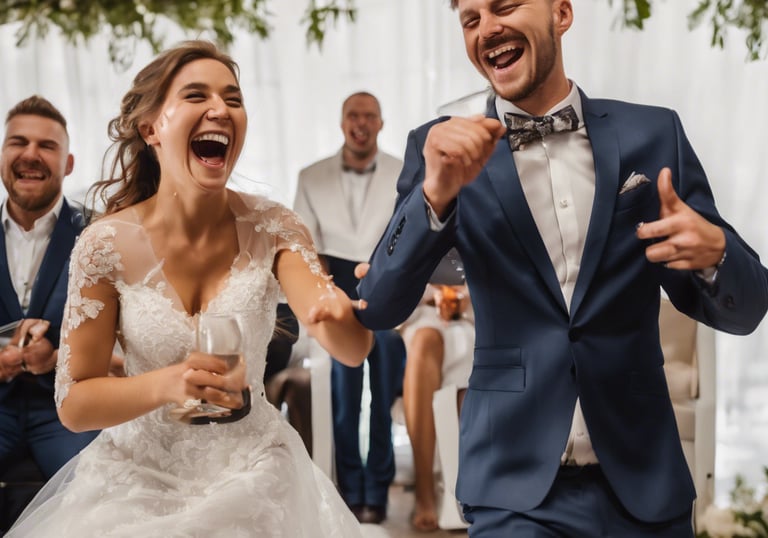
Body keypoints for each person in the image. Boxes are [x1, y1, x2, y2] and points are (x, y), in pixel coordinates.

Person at [355, 0, 768, 536]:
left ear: (562, 14)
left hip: (645, 484)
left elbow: (749, 309)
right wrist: (433, 193)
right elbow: (379, 306)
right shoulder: (440, 150)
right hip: (511, 489)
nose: (488, 28)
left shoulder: (654, 133)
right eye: (471, 19)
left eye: (504, 7)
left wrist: (715, 257)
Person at [7, 40, 374, 537]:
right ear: (152, 128)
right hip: (134, 483)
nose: (220, 109)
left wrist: (340, 315)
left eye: (234, 99)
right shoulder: (103, 245)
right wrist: (169, 383)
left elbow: (350, 350)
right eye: (197, 96)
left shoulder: (276, 228)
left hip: (257, 474)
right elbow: (75, 404)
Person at [293, 91, 405, 524]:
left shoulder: (402, 172)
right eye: (353, 116)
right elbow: (306, 248)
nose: (361, 123)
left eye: (369, 116)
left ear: (381, 123)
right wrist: (329, 298)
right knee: (344, 381)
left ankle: (377, 488)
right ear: (342, 123)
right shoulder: (311, 176)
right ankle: (349, 487)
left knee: (385, 370)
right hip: (332, 291)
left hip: (388, 292)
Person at [0, 96, 99, 525]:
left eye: (47, 146)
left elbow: (128, 332)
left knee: (99, 493)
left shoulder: (101, 233)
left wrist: (58, 359)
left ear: (69, 162)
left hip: (66, 410)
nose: (30, 155)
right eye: (18, 142)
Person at [399, 271, 474, 532]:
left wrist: (465, 298)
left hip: (475, 318)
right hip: (422, 318)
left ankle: (469, 486)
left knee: (472, 348)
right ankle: (424, 489)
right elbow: (395, 284)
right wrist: (434, 295)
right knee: (424, 341)